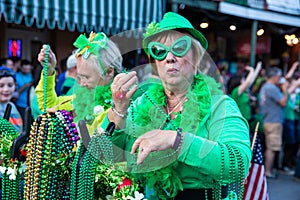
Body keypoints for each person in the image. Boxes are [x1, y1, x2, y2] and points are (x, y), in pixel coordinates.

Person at [101, 12, 252, 199]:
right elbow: (106, 154)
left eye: (179, 47)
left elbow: (238, 163)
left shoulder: (220, 106)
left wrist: (176, 141)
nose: (169, 57)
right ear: (155, 64)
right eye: (159, 50)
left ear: (197, 59)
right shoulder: (142, 104)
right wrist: (118, 110)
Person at [36, 32, 123, 131]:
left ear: (108, 72)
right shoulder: (82, 99)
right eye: (80, 77)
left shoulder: (121, 107)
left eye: (86, 77)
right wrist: (49, 71)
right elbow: (49, 105)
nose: (81, 83)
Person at [259, 67, 288, 178]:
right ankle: (268, 171)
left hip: (268, 120)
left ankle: (267, 170)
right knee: (272, 148)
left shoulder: (265, 87)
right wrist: (285, 89)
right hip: (273, 121)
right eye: (279, 77)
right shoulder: (271, 88)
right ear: (274, 76)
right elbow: (283, 102)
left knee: (269, 146)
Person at [0, 66, 23, 132]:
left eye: (10, 85)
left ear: (15, 85)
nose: (6, 89)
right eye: (1, 86)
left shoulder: (12, 106)